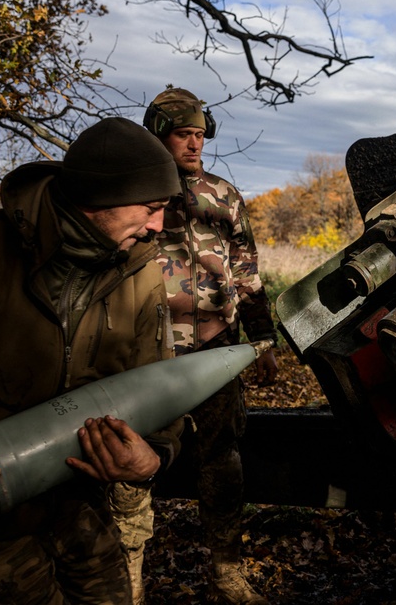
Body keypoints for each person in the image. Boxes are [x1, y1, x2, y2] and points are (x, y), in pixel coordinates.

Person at [0, 117, 184, 604]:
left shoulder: (140, 272)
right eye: (151, 208)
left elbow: (160, 383)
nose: (158, 225)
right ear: (100, 195)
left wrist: (154, 455)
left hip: (79, 509)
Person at [142, 87, 279, 605]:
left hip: (218, 350)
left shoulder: (224, 195)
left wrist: (262, 340)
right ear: (160, 134)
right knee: (138, 456)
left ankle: (226, 569)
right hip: (151, 355)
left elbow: (247, 272)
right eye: (184, 134)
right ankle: (128, 561)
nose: (195, 143)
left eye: (200, 134)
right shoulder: (139, 195)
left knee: (222, 459)